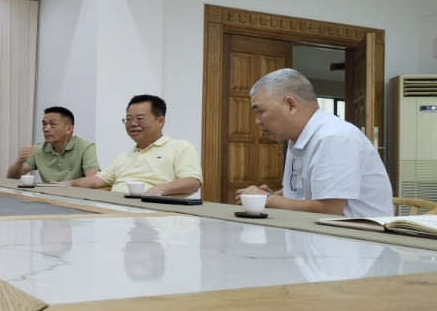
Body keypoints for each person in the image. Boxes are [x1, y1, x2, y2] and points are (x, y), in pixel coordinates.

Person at [235, 68, 393, 217]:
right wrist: (272, 195)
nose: (257, 121)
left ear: (291, 105)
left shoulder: (334, 137)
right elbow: (304, 189)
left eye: (260, 111)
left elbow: (328, 210)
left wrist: (267, 199)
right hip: (320, 233)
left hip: (359, 236)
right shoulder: (297, 138)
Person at [63, 95, 202, 196]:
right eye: (129, 119)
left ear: (160, 121)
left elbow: (192, 182)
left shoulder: (180, 147)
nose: (133, 124)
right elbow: (95, 180)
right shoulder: (124, 156)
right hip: (115, 213)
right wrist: (70, 183)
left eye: (140, 118)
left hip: (156, 214)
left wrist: (159, 189)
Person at [6, 106, 99, 182]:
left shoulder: (86, 147)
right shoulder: (38, 149)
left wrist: (69, 184)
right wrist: (20, 160)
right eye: (44, 124)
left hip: (76, 197)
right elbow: (11, 178)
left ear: (69, 129)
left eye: (53, 124)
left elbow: (92, 180)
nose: (46, 129)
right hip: (47, 197)